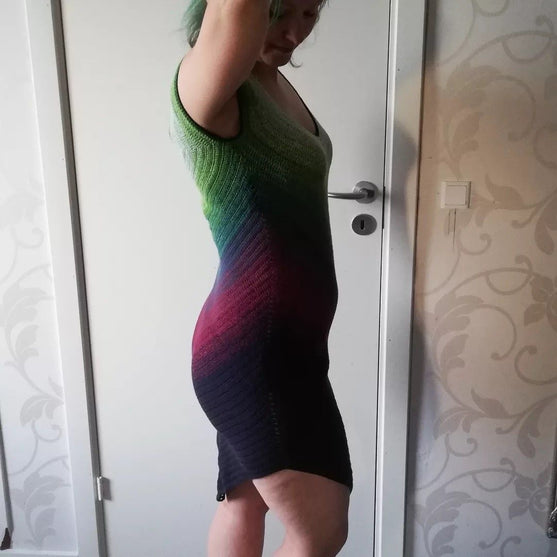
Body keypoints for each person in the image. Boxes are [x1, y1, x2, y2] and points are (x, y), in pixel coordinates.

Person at [169, 0, 353, 555]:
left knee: (244, 501)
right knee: (320, 531)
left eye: (310, 14)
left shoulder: (273, 81)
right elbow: (236, 11)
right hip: (255, 352)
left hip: (291, 348)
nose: (295, 31)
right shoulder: (210, 87)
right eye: (280, 12)